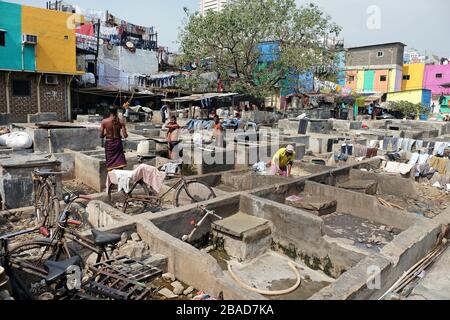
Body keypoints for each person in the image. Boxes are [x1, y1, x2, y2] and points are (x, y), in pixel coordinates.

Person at [100, 106, 128, 172]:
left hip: (109, 144)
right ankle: (119, 178)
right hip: (118, 143)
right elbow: (125, 135)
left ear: (109, 111)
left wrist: (106, 133)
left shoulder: (104, 121)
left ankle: (112, 180)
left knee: (110, 163)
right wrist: (123, 127)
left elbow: (101, 135)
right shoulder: (121, 121)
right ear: (117, 111)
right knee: (120, 163)